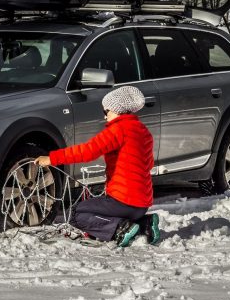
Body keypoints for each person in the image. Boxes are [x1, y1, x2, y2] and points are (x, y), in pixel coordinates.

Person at [34, 85, 160, 246]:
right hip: (142, 205)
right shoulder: (143, 131)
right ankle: (145, 223)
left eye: (106, 112)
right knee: (102, 207)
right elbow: (148, 164)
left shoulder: (118, 130)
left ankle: (120, 228)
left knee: (76, 213)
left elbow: (88, 151)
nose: (105, 117)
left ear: (117, 110)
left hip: (122, 202)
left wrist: (51, 158)